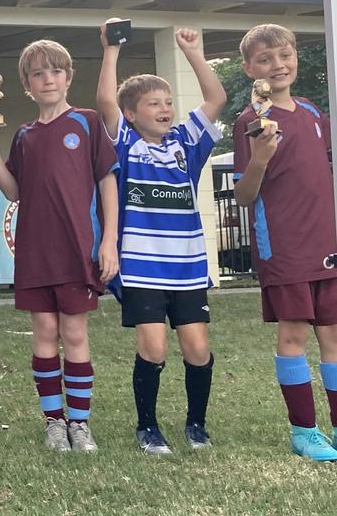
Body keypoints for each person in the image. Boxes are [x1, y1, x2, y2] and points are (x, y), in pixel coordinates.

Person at [0, 39, 119, 453]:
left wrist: (108, 241)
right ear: (25, 84)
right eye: (38, 73)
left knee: (74, 331)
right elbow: (15, 191)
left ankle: (80, 422)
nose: (48, 79)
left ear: (68, 76)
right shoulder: (23, 135)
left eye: (55, 71)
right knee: (44, 330)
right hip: (37, 249)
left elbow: (107, 181)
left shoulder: (88, 122)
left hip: (79, 248)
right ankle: (54, 422)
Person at [97, 25, 223, 455]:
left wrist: (194, 53)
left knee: (198, 348)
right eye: (154, 103)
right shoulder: (124, 143)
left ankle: (197, 424)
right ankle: (147, 427)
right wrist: (111, 50)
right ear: (132, 114)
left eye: (168, 102)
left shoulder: (186, 143)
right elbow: (104, 103)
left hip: (187, 268)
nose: (165, 108)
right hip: (141, 265)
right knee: (153, 348)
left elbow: (215, 100)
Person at [232, 24, 337, 461]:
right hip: (284, 247)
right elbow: (243, 195)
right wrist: (259, 158)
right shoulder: (250, 121)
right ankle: (304, 431)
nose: (277, 65)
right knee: (295, 334)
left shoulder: (312, 112)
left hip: (326, 244)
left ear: (295, 57)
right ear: (248, 69)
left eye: (284, 54)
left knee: (333, 335)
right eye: (265, 59)